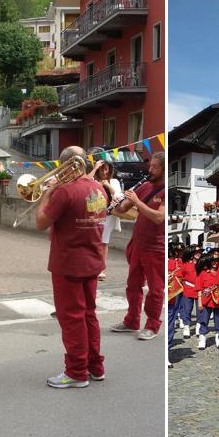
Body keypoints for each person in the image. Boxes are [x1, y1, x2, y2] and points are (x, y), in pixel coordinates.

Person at [36, 146, 107, 388]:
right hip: (93, 260)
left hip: (68, 263)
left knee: (71, 318)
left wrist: (48, 191)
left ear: (63, 165)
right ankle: (95, 367)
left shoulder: (64, 191)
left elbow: (40, 221)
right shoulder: (99, 188)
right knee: (89, 315)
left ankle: (76, 372)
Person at [111, 151, 165, 341]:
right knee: (133, 285)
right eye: (150, 166)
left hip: (156, 248)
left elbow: (158, 217)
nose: (150, 169)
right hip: (138, 244)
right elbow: (122, 210)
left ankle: (152, 325)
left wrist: (136, 201)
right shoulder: (144, 187)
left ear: (164, 169)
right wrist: (116, 203)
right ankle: (131, 320)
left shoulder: (166, 191)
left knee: (155, 289)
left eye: (155, 167)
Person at [89, 160, 122, 281]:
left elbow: (118, 196)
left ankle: (101, 269)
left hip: (108, 215)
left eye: (106, 169)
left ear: (110, 170)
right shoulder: (93, 180)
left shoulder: (114, 182)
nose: (104, 171)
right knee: (93, 241)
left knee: (104, 241)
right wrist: (94, 168)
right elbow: (84, 181)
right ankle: (92, 266)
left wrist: (107, 185)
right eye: (101, 169)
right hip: (95, 214)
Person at [195, 251, 219, 350]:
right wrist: (199, 302)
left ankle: (218, 337)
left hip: (218, 301)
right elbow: (199, 289)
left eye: (217, 261)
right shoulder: (203, 273)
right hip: (206, 302)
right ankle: (202, 338)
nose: (215, 263)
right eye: (213, 261)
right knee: (204, 321)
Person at [177, 246, 201, 338]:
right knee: (187, 309)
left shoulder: (202, 264)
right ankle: (186, 326)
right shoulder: (186, 264)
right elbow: (180, 276)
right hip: (188, 289)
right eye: (196, 252)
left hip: (199, 290)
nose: (198, 254)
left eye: (199, 252)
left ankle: (198, 326)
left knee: (200, 310)